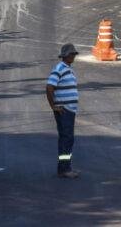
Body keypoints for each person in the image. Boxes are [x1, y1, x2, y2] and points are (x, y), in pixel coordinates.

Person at [46, 44, 80, 179]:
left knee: (67, 139)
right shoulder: (59, 68)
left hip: (69, 110)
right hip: (64, 110)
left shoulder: (67, 69)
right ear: (66, 55)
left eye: (74, 54)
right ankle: (64, 169)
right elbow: (49, 87)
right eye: (72, 54)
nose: (73, 56)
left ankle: (66, 167)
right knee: (66, 139)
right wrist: (53, 106)